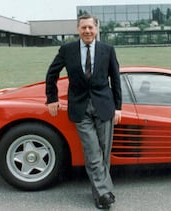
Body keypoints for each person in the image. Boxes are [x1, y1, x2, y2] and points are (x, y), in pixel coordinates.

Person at [45, 14, 122, 209]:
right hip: (80, 108)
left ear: (96, 29)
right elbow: (52, 73)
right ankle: (104, 193)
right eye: (83, 28)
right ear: (78, 30)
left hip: (105, 107)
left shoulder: (108, 50)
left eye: (90, 27)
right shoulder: (67, 50)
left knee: (104, 152)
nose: (87, 31)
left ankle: (101, 193)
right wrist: (52, 98)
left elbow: (116, 79)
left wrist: (118, 107)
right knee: (92, 151)